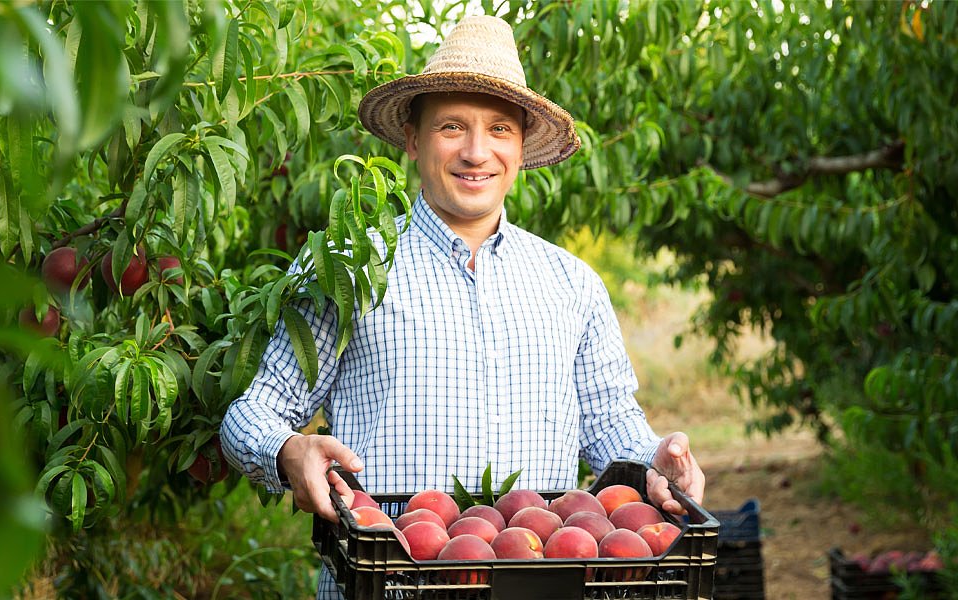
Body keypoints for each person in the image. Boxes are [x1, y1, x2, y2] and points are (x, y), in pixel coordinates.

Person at [220, 15, 705, 597]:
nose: (477, 152)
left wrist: (655, 459)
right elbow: (252, 414)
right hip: (389, 584)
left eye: (499, 129)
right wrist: (287, 450)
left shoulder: (572, 284)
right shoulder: (348, 268)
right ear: (413, 139)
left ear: (519, 148)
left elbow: (611, 426)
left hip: (537, 587)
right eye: (452, 126)